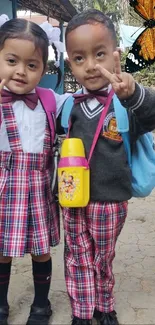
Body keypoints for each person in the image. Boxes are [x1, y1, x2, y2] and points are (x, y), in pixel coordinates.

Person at [62, 9, 155, 325]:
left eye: (99, 54)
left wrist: (134, 94)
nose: (90, 65)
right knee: (76, 258)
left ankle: (104, 306)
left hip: (110, 201)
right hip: (73, 200)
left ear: (115, 54)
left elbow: (151, 116)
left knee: (103, 258)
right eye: (79, 58)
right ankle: (82, 312)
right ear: (69, 62)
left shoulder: (124, 103)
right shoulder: (67, 107)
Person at [0, 17, 70, 325]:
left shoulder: (51, 100)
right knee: (1, 251)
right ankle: (1, 304)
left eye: (32, 65)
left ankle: (41, 305)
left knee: (41, 251)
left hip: (40, 191)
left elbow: (87, 103)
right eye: (11, 60)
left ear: (43, 70)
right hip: (4, 192)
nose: (21, 71)